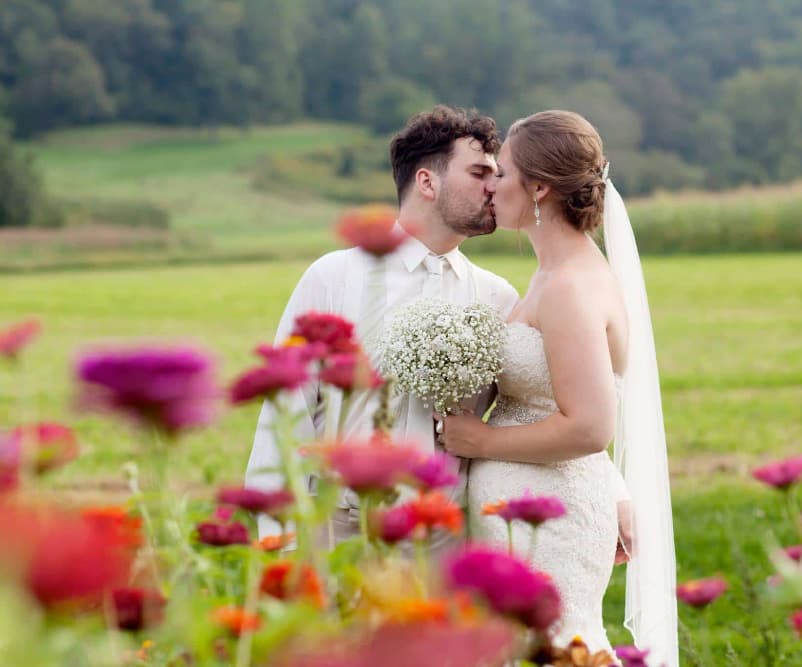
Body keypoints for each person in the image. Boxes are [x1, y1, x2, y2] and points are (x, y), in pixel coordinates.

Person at [438, 110, 678, 666]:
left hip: (553, 520)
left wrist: (479, 442)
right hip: (526, 510)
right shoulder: (553, 274)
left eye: (501, 173)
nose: (491, 186)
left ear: (539, 187)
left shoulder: (569, 286)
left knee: (557, 648)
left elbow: (592, 425)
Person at [244, 105, 518, 548]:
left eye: (497, 173)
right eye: (480, 172)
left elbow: (538, 403)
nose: (496, 187)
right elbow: (286, 404)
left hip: (442, 538)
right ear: (428, 181)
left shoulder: (498, 297)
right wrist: (280, 538)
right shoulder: (334, 277)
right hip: (336, 529)